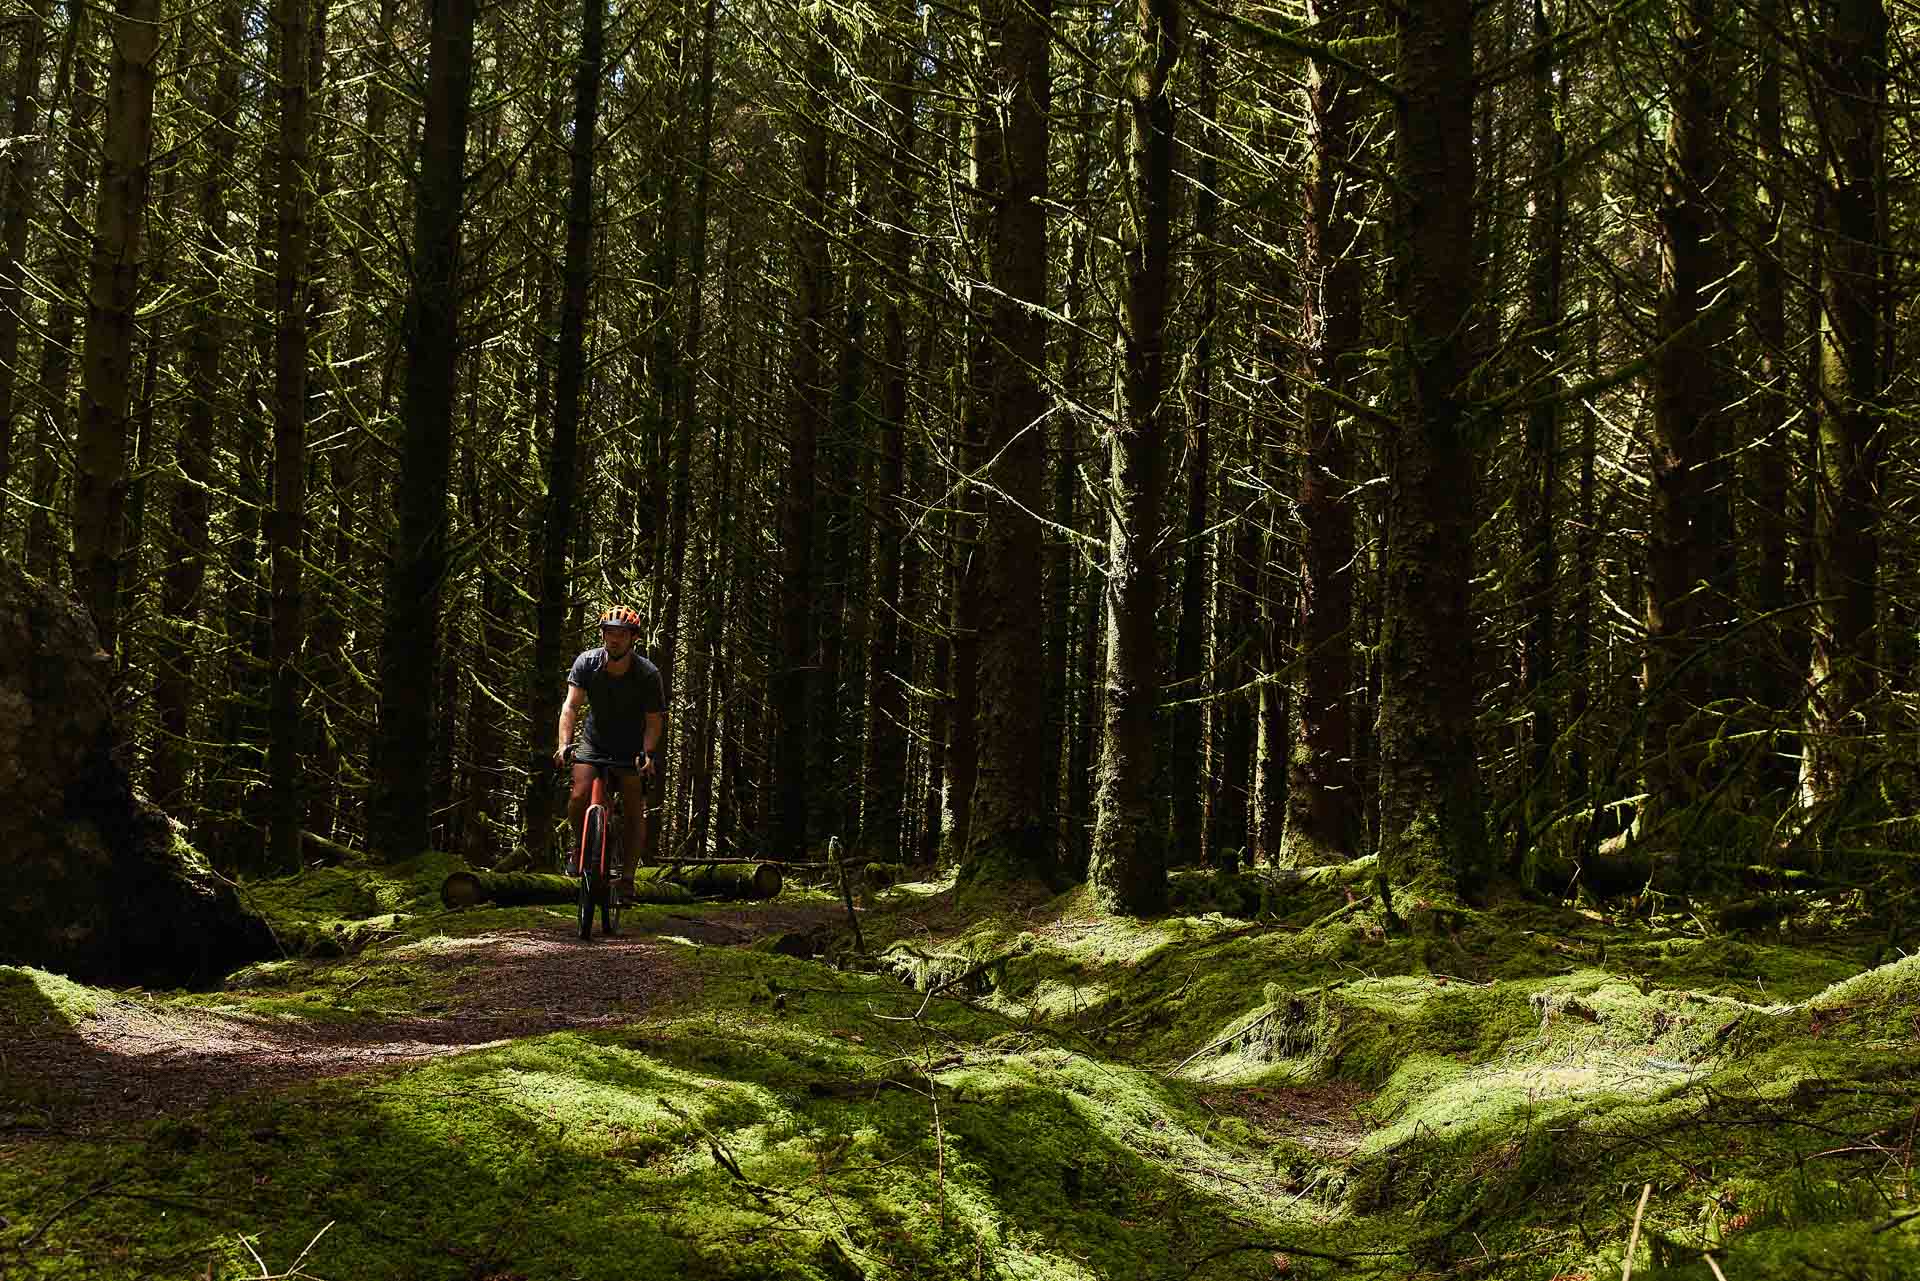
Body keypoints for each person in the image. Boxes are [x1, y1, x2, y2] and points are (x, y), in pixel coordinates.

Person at [553, 605, 664, 898]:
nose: (614, 640)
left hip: (631, 748)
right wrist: (563, 745)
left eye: (621, 634)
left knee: (632, 811)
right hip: (594, 742)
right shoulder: (586, 663)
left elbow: (654, 720)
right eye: (609, 633)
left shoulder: (647, 673)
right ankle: (581, 848)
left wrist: (648, 752)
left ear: (632, 639)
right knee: (578, 796)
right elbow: (571, 707)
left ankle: (627, 879)